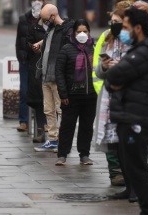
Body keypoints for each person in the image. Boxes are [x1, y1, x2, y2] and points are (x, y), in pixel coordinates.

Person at [105, 7, 148, 215]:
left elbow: (114, 78)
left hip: (136, 119)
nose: (121, 31)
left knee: (138, 168)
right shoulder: (138, 51)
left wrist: (117, 83)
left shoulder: (142, 53)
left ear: (138, 28)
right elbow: (112, 82)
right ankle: (147, 209)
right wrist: (115, 82)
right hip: (131, 116)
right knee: (134, 167)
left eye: (125, 27)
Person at [92, 8, 129, 186]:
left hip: (128, 96)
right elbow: (98, 71)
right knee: (109, 134)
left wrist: (121, 66)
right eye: (112, 21)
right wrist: (105, 67)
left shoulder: (135, 40)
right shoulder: (107, 38)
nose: (113, 25)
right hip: (108, 95)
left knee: (126, 136)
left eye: (117, 22)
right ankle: (115, 172)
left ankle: (129, 174)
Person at [54, 19, 96, 166]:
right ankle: (62, 154)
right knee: (67, 125)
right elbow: (59, 73)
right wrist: (63, 94)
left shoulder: (94, 48)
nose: (82, 34)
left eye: (85, 31)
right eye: (79, 32)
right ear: (74, 33)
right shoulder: (66, 49)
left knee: (87, 126)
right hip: (71, 96)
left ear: (89, 32)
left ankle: (84, 154)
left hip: (90, 95)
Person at [33, 3, 74, 152]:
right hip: (45, 76)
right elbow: (50, 41)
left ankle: (63, 141)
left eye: (45, 19)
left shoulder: (67, 30)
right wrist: (40, 43)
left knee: (61, 110)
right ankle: (52, 139)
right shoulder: (51, 29)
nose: (43, 23)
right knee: (48, 110)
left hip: (57, 77)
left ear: (52, 16)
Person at [15, 0, 44, 132]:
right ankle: (24, 121)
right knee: (24, 91)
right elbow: (19, 41)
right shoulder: (24, 19)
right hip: (26, 61)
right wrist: (21, 57)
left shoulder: (46, 18)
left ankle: (42, 123)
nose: (36, 2)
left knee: (42, 92)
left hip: (40, 61)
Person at [27, 11, 48, 143]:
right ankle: (41, 131)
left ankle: (53, 133)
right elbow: (27, 44)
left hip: (52, 67)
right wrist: (33, 48)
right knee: (39, 101)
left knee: (53, 102)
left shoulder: (57, 28)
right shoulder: (34, 27)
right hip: (37, 66)